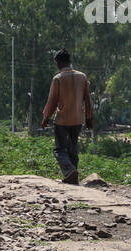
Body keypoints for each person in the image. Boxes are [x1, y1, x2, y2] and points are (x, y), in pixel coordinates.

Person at [40, 48, 93, 185]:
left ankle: (70, 171)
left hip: (62, 119)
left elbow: (52, 102)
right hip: (77, 119)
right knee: (72, 149)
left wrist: (46, 118)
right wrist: (88, 118)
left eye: (56, 62)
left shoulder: (58, 78)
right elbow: (87, 99)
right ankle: (73, 176)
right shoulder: (82, 76)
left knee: (59, 150)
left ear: (60, 62)